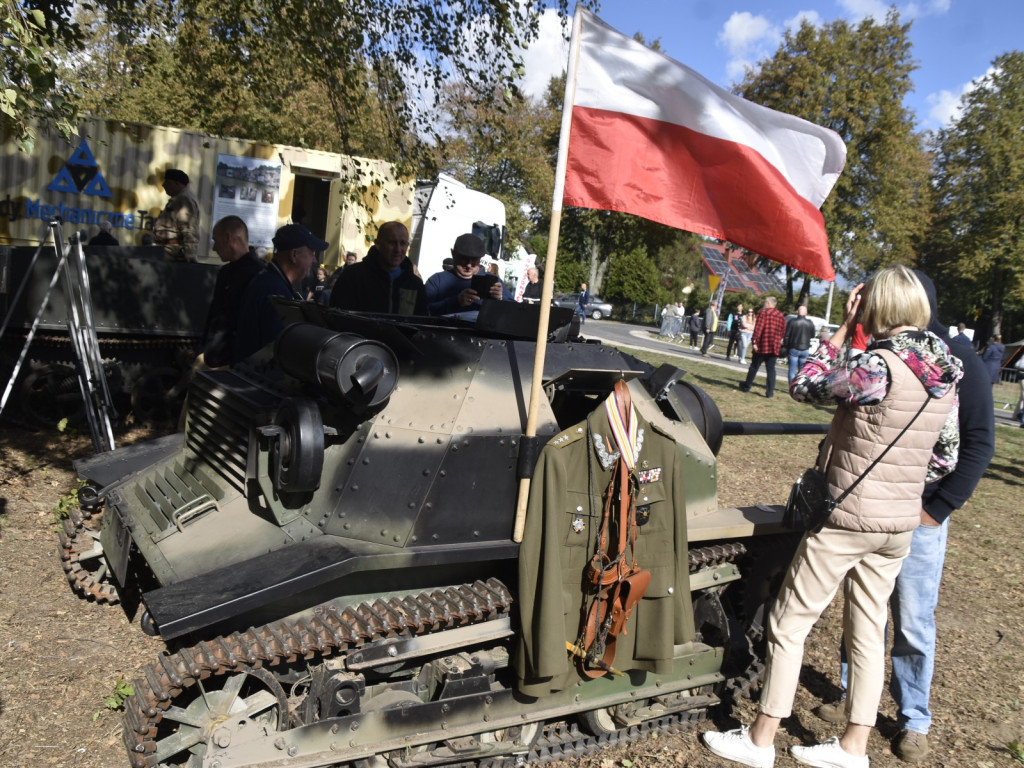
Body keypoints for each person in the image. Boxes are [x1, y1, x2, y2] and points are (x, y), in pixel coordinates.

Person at [703, 264, 963, 768]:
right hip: (899, 526)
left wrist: (842, 331)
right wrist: (900, 482)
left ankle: (760, 738)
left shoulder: (878, 367)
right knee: (867, 631)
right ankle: (853, 746)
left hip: (848, 519)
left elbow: (805, 384)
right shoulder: (946, 373)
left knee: (789, 622)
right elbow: (945, 457)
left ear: (877, 307)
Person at [812, 269, 995, 763]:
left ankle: (914, 719)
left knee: (913, 620)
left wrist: (937, 508)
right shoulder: (885, 356)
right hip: (874, 508)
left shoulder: (959, 361)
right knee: (862, 609)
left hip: (921, 515)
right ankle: (854, 699)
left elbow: (977, 444)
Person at [234, 223, 325, 360]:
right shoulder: (274, 291)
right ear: (294, 255)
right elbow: (277, 348)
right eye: (311, 253)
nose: (314, 260)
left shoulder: (268, 280)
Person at [200, 215, 264, 367]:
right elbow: (214, 315)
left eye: (215, 240)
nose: (214, 248)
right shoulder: (225, 272)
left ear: (228, 238)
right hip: (214, 357)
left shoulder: (258, 275)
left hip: (235, 364)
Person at [330, 222, 426, 315]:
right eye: (392, 242)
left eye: (403, 243)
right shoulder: (352, 276)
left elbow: (421, 322)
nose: (398, 249)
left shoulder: (415, 284)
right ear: (378, 244)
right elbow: (337, 317)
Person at [424, 233, 509, 316]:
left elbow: (515, 311)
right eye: (464, 258)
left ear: (480, 258)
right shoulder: (436, 281)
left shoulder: (494, 282)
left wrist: (500, 299)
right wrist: (456, 302)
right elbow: (423, 311)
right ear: (453, 254)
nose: (469, 265)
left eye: (474, 260)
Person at [738, 296, 786, 398]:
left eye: (765, 303)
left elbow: (758, 329)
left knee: (754, 367)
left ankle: (747, 386)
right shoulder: (781, 315)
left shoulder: (763, 313)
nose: (764, 304)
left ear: (768, 303)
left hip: (762, 345)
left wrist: (754, 341)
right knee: (771, 370)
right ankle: (770, 393)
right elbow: (783, 331)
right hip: (774, 346)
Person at [153, 168, 201, 262]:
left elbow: (189, 228)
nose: (163, 185)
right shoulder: (178, 199)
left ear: (176, 183)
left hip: (173, 254)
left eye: (167, 182)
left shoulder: (184, 199)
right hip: (167, 251)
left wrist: (190, 254)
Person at [784, 305, 817, 380]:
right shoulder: (810, 323)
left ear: (797, 312)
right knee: (802, 371)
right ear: (806, 312)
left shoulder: (792, 321)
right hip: (805, 348)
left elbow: (786, 335)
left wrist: (786, 346)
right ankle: (799, 386)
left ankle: (791, 387)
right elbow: (812, 335)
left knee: (792, 370)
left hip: (793, 347)